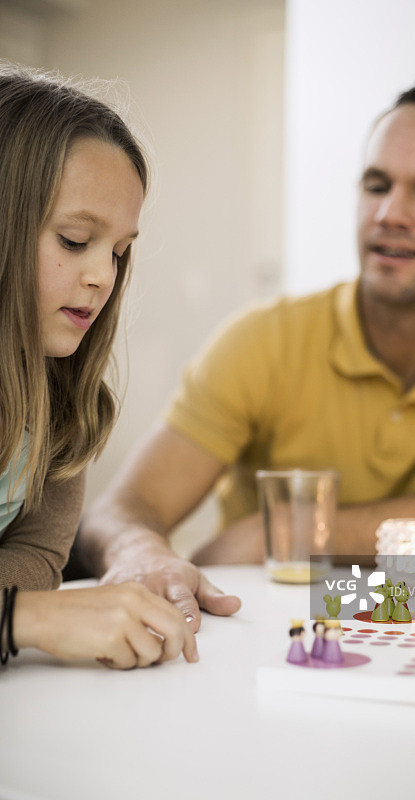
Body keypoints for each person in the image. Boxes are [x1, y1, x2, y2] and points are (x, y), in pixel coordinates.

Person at [79, 83, 415, 629]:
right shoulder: (263, 339)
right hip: (265, 640)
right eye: (376, 185)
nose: (390, 213)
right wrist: (140, 552)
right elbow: (118, 511)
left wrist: (283, 536)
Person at [0, 62, 200, 670]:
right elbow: (28, 599)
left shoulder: (58, 395)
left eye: (117, 251)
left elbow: (38, 554)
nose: (102, 277)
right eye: (73, 240)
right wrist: (24, 618)